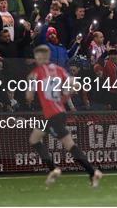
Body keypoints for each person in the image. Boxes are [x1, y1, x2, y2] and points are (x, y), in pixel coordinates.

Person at [26, 45, 103, 187]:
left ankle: (90, 172)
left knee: (68, 145)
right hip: (58, 113)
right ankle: (58, 169)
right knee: (35, 139)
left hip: (52, 115)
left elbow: (29, 97)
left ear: (38, 58)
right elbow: (75, 85)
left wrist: (31, 90)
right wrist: (63, 98)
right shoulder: (58, 69)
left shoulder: (36, 73)